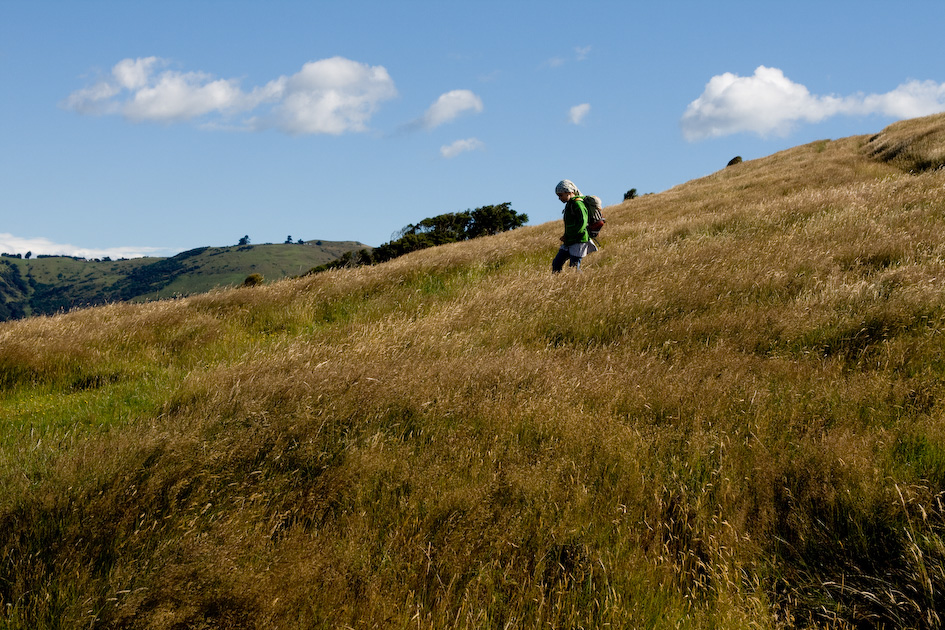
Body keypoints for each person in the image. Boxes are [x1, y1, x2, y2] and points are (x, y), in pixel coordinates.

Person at [551, 179, 598, 272]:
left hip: (579, 241)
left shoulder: (577, 203)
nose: (559, 198)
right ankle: (557, 283)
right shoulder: (570, 204)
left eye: (561, 195)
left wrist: (570, 235)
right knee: (556, 263)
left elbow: (583, 222)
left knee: (574, 267)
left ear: (569, 192)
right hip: (570, 241)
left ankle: (581, 283)